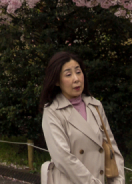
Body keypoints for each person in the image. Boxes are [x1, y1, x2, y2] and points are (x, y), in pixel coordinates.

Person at [39, 51, 125, 184]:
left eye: (78, 72)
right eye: (68, 74)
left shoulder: (95, 105)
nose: (76, 79)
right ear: (56, 81)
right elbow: (63, 158)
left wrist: (119, 181)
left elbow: (112, 147)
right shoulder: (52, 111)